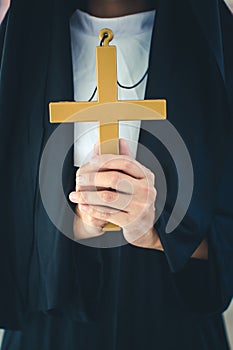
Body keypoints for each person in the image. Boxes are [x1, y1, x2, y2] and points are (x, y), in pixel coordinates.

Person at [0, 0, 233, 349]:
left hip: (172, 318)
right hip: (54, 315)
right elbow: (12, 214)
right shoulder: (28, 43)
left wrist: (158, 233)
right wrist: (80, 220)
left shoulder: (211, 42)